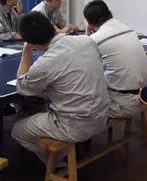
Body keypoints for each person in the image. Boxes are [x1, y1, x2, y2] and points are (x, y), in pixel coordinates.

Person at [11, 11, 109, 164]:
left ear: (32, 44)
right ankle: (67, 151)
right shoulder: (87, 41)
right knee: (48, 100)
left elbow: (21, 87)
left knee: (17, 131)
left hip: (76, 126)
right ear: (52, 25)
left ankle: (58, 162)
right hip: (102, 115)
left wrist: (26, 52)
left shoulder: (45, 63)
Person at [84, 0, 147, 118]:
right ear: (111, 13)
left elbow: (85, 67)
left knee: (80, 96)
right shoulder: (127, 28)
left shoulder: (95, 39)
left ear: (90, 25)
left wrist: (88, 38)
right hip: (146, 95)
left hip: (122, 104)